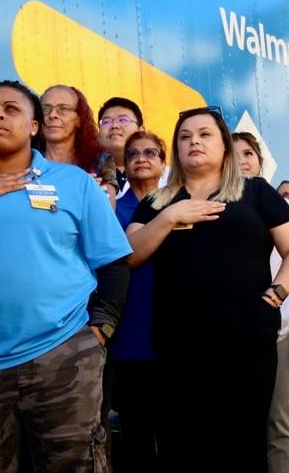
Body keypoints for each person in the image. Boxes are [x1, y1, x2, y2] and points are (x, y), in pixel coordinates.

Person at [0, 80, 131, 473]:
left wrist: (101, 327)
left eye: (10, 109)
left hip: (64, 356)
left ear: (35, 126)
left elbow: (114, 263)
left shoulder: (73, 183)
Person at [127, 106, 289, 472]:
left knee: (244, 445)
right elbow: (130, 255)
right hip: (179, 343)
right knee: (183, 445)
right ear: (177, 151)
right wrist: (170, 217)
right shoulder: (157, 203)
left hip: (246, 338)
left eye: (205, 134)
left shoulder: (255, 192)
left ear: (224, 146)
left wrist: (274, 297)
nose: (194, 140)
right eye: (185, 136)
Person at [232, 132, 289, 473]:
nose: (242, 160)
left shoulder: (280, 204)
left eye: (248, 153)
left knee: (279, 421)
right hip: (231, 335)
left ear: (260, 160)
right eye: (234, 154)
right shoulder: (216, 205)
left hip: (279, 330)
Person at [110, 131, 166, 470]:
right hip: (131, 338)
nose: (141, 158)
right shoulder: (113, 209)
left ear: (163, 162)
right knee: (136, 434)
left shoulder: (183, 203)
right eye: (132, 154)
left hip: (180, 338)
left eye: (150, 152)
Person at [39, 85, 118, 207]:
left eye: (63, 108)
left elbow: (106, 213)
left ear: (79, 119)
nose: (52, 115)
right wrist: (80, 187)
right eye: (45, 108)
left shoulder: (100, 161)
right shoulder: (27, 160)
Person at [96, 97, 148, 198]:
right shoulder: (85, 175)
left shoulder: (166, 176)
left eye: (123, 120)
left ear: (141, 132)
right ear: (98, 135)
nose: (114, 126)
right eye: (106, 122)